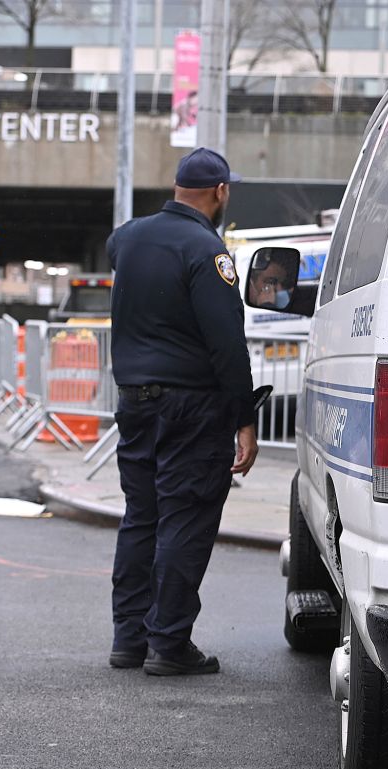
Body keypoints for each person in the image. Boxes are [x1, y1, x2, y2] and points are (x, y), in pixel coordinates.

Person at [105, 147, 259, 676]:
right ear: (220, 192)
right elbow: (226, 343)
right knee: (185, 517)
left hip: (135, 402)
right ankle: (168, 643)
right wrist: (244, 416)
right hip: (191, 408)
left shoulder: (126, 238)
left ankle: (128, 640)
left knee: (141, 516)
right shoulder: (207, 250)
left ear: (176, 188)